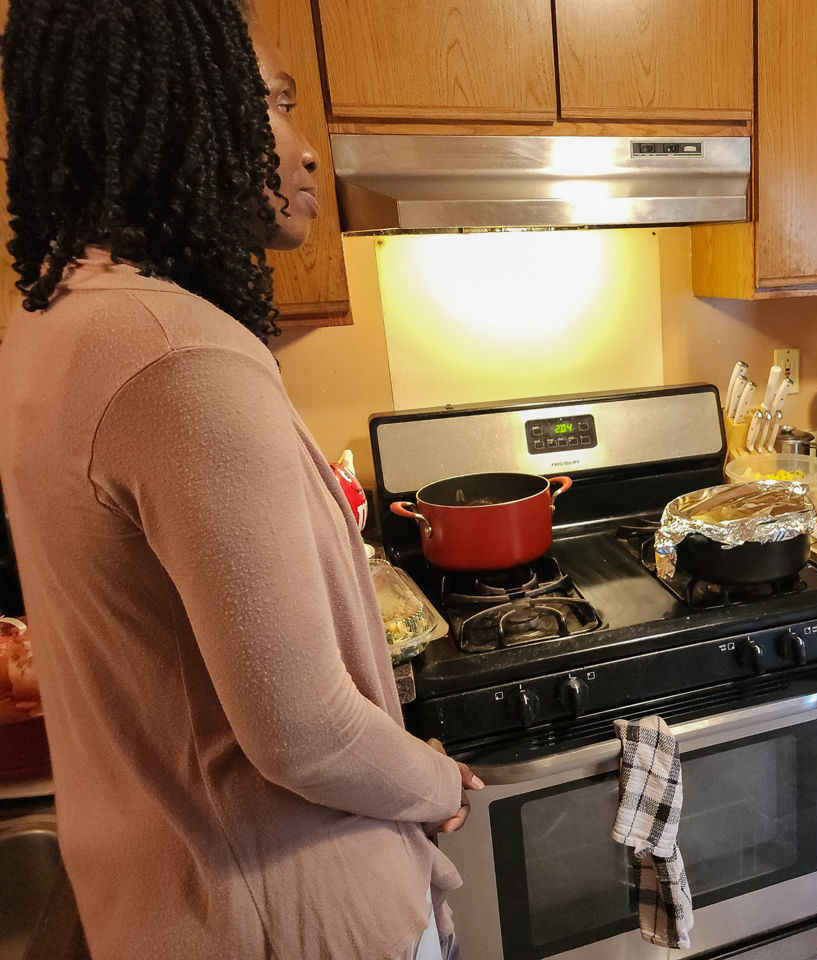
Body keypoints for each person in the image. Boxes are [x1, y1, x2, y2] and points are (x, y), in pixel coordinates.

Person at [0, 3, 479, 959]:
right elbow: (306, 734)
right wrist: (437, 780)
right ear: (179, 111)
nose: (306, 151)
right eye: (275, 104)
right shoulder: (177, 356)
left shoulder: (56, 322)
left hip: (165, 897)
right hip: (285, 914)